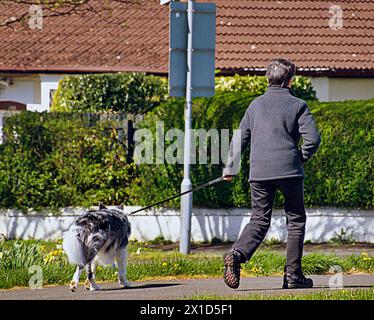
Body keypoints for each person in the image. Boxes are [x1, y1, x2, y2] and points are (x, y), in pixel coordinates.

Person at [222, 58, 321, 289]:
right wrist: (300, 158)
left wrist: (230, 168)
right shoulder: (298, 105)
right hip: (290, 171)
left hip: (259, 172)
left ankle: (237, 254)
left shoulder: (255, 105)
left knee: (259, 219)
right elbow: (313, 139)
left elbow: (239, 139)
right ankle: (293, 276)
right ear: (290, 80)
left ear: (268, 78)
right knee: (295, 220)